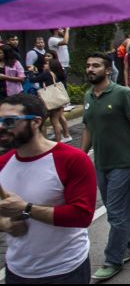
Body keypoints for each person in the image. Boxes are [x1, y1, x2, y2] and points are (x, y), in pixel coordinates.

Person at [0, 93, 97, 284]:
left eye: (10, 121)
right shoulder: (3, 163)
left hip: (65, 270)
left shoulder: (72, 160)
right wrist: (6, 224)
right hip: (16, 270)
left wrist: (25, 208)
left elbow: (82, 215)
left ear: (36, 122)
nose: (1, 127)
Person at [81, 53, 130, 281]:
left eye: (96, 65)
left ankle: (113, 259)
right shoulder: (88, 96)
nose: (91, 69)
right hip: (101, 163)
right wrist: (80, 157)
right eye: (89, 65)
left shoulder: (121, 93)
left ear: (108, 70)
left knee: (116, 213)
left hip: (123, 163)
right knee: (117, 211)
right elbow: (88, 129)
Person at [28, 56, 72, 143]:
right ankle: (58, 142)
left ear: (51, 66)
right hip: (58, 102)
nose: (45, 65)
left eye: (47, 63)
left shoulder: (46, 74)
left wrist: (30, 72)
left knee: (42, 122)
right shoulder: (58, 74)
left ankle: (44, 142)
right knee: (55, 121)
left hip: (48, 102)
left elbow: (32, 80)